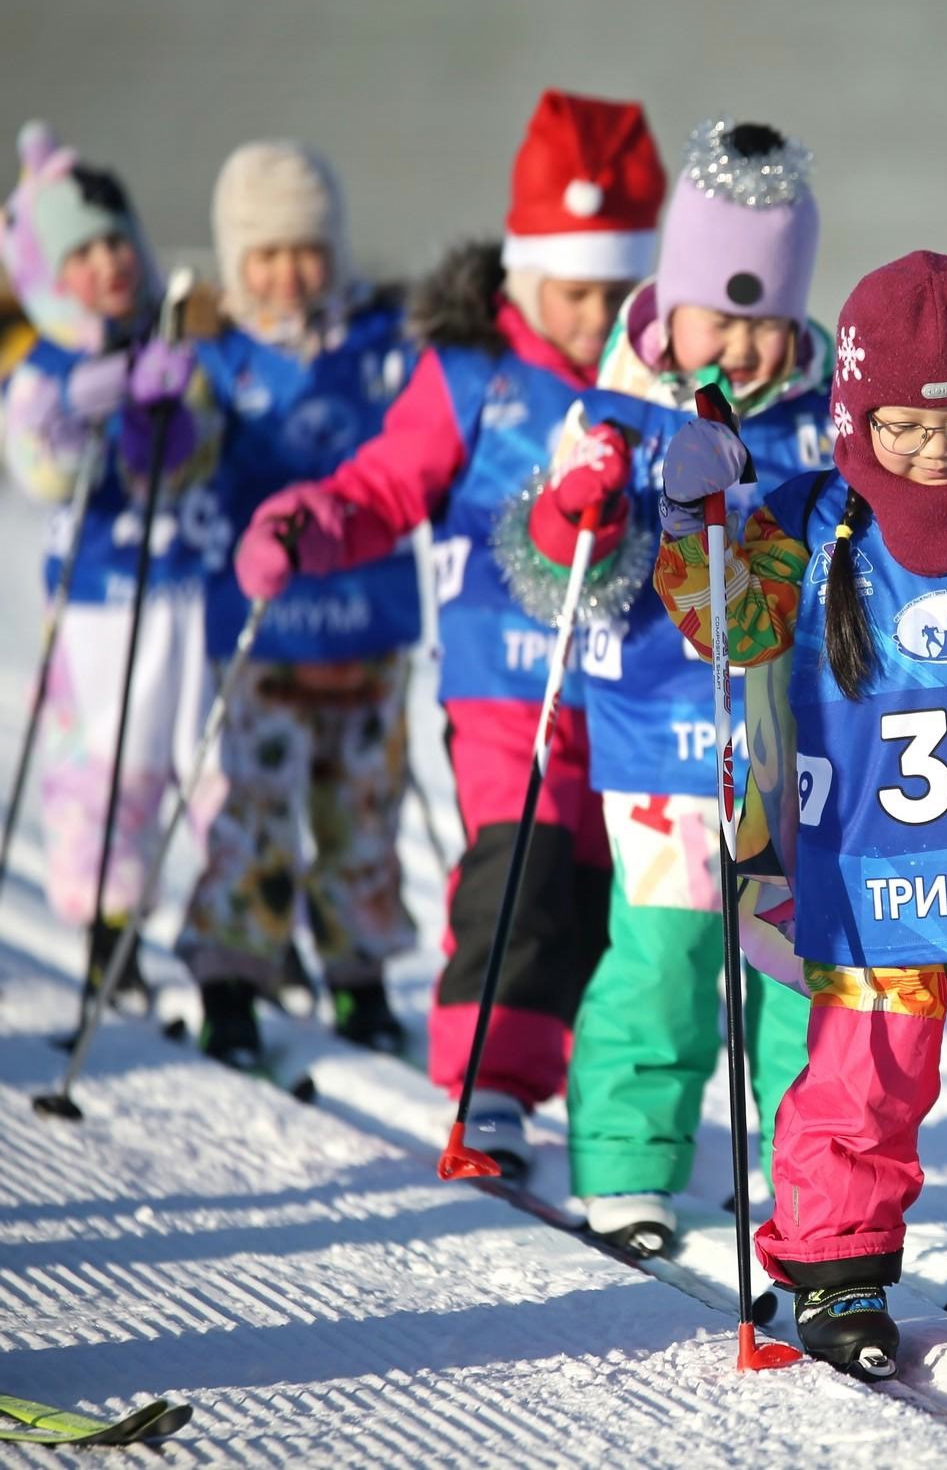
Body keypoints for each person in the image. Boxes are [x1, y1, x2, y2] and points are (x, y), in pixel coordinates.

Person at [651, 251, 947, 1378]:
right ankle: (839, 1267)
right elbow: (726, 629)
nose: (936, 452)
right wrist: (689, 523)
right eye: (903, 426)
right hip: (869, 875)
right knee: (859, 1083)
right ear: (854, 410)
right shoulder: (813, 516)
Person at [232, 90, 666, 1172]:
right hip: (503, 680)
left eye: (617, 290)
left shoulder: (655, 379)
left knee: (615, 898)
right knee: (519, 862)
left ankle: (597, 1086)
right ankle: (488, 1088)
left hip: (631, 687)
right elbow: (383, 485)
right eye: (574, 291)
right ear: (527, 278)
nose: (593, 314)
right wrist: (309, 523)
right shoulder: (474, 374)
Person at [507, 118, 830, 1252]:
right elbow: (549, 574)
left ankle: (807, 1178)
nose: (739, 344)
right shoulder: (614, 416)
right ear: (668, 305)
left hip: (792, 752)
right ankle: (629, 1160)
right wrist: (575, 510)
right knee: (663, 959)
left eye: (763, 319)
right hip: (660, 748)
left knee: (796, 976)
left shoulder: (825, 425)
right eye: (716, 316)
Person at [175, 139, 421, 1065]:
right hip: (264, 633)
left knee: (363, 804)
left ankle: (357, 971)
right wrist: (164, 418)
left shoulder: (381, 345)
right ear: (236, 259)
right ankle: (234, 972)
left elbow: (426, 440)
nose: (289, 272)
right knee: (258, 804)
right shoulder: (217, 356)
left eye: (307, 248)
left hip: (369, 623)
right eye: (266, 253)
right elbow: (175, 461)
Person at [1, 120, 212, 1005]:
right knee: (104, 769)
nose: (108, 265)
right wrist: (62, 423)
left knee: (195, 762)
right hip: (95, 600)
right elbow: (41, 473)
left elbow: (198, 453)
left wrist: (175, 413)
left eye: (116, 241)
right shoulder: (41, 364)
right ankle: (108, 927)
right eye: (80, 254)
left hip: (180, 592)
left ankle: (238, 942)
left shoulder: (166, 345)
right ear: (50, 274)